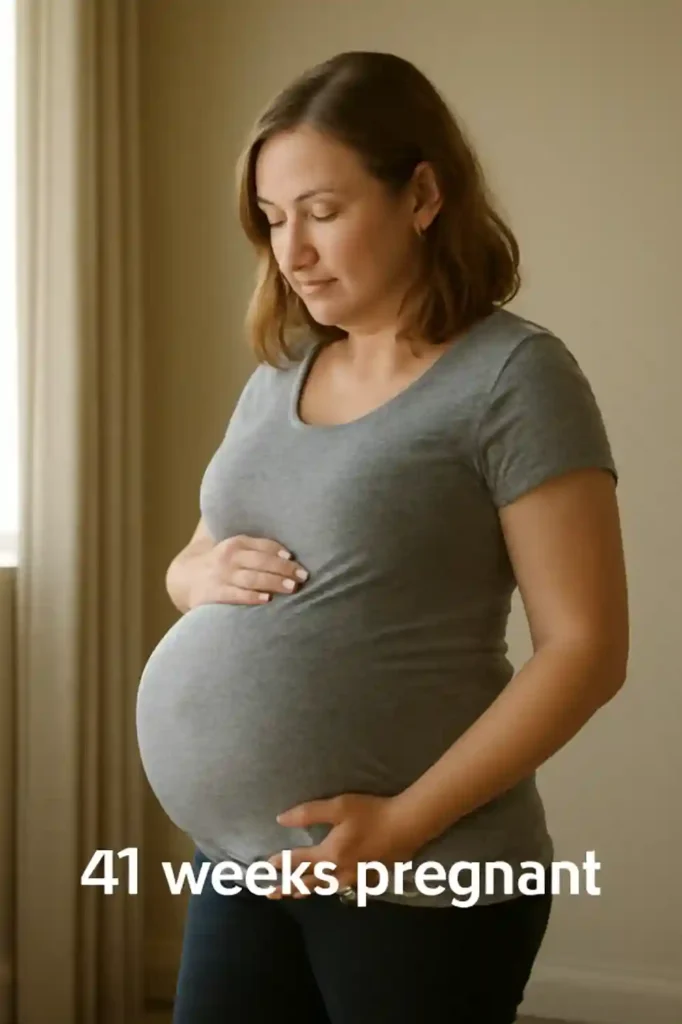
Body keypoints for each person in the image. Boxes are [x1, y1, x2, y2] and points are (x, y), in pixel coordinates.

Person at [135, 50, 629, 1023]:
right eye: (273, 221)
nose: (293, 251)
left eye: (322, 211)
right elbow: (196, 559)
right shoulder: (278, 375)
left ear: (422, 194)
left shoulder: (512, 377)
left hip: (418, 871)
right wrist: (190, 576)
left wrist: (402, 823)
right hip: (245, 860)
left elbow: (585, 650)